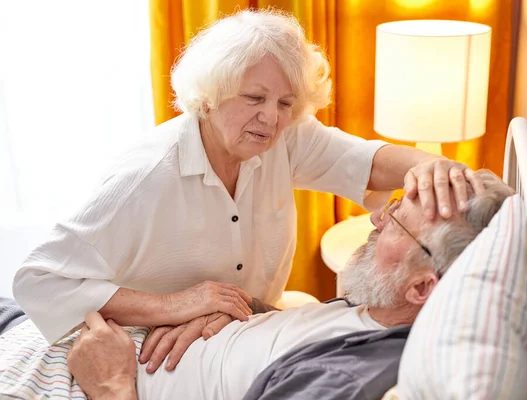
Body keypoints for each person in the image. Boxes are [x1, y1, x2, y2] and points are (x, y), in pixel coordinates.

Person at [12, 8, 483, 371]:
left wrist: (434, 167)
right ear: (211, 92)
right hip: (136, 353)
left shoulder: (285, 138)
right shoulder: (146, 176)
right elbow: (39, 281)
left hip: (235, 335)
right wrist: (172, 306)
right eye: (254, 98)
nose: (271, 118)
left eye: (285, 102)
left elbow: (363, 161)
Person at [55, 170, 512, 400]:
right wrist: (242, 310)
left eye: (397, 221)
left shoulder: (346, 381)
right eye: (393, 204)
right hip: (118, 350)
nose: (377, 217)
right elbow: (295, 344)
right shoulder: (372, 310)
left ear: (421, 288)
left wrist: (111, 385)